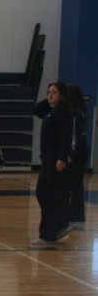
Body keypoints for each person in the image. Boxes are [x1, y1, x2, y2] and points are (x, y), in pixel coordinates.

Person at [32, 81, 72, 245]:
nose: (50, 95)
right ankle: (61, 224)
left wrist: (62, 157)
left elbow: (66, 136)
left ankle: (48, 234)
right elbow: (36, 110)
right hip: (47, 159)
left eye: (54, 92)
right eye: (49, 92)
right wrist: (49, 99)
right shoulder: (51, 111)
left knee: (46, 194)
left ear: (62, 95)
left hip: (54, 159)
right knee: (44, 193)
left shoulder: (62, 112)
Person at [66, 84, 89, 230]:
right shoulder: (81, 111)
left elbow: (74, 135)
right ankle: (76, 216)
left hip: (77, 151)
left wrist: (71, 154)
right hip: (82, 150)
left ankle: (76, 216)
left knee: (74, 184)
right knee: (76, 184)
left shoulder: (75, 113)